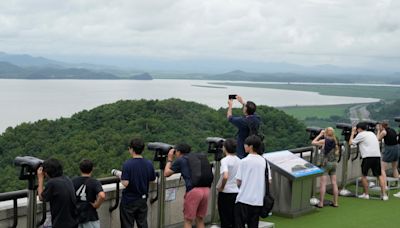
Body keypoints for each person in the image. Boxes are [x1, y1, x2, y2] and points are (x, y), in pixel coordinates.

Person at [164, 143, 210, 228]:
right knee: (199, 219)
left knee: (188, 220)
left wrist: (170, 159)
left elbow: (166, 173)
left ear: (178, 152)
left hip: (194, 192)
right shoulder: (195, 158)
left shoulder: (181, 160)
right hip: (206, 189)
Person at [119, 138, 156, 228]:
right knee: (142, 223)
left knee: (127, 224)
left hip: (129, 200)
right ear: (142, 150)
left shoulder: (127, 164)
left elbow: (125, 183)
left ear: (131, 149)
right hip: (142, 199)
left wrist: (120, 176)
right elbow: (152, 179)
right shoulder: (149, 163)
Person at [349, 122, 388, 200]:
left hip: (367, 157)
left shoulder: (360, 135)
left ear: (359, 129)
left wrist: (353, 133)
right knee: (379, 176)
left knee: (364, 175)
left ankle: (366, 194)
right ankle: (384, 195)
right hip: (377, 156)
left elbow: (351, 143)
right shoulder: (371, 133)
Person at [37, 158, 78, 228]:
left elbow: (41, 197)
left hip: (61, 223)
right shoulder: (67, 179)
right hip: (73, 221)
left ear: (46, 172)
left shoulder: (52, 183)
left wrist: (40, 179)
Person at [235, 135, 266, 228]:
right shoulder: (264, 161)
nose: (244, 146)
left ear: (251, 146)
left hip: (243, 199)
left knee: (239, 224)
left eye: (246, 145)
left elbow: (238, 181)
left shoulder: (244, 161)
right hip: (258, 201)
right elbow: (269, 181)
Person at [72, 159, 106, 228]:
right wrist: (96, 205)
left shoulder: (73, 181)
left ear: (80, 169)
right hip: (90, 216)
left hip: (76, 216)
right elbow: (102, 195)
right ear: (92, 169)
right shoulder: (94, 182)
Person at [312, 127, 339, 208]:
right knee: (334, 183)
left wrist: (320, 135)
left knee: (323, 184)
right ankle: (335, 202)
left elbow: (313, 142)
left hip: (325, 164)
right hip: (334, 163)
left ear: (326, 133)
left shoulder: (324, 141)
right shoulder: (335, 141)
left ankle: (321, 203)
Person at [217, 139, 240, 228]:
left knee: (225, 219)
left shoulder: (225, 160)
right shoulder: (239, 160)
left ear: (225, 148)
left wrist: (222, 187)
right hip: (236, 192)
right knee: (235, 220)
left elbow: (225, 176)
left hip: (226, 193)